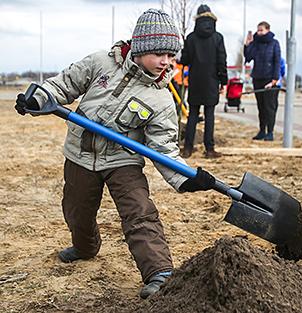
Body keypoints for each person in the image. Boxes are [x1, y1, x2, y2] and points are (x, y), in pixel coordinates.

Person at [14, 9, 216, 299]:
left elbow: (163, 146)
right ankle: (85, 247)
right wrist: (38, 98)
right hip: (80, 154)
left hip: (122, 160)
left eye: (171, 56)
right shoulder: (101, 63)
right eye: (160, 53)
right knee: (76, 211)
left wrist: (184, 178)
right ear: (141, 46)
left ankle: (159, 271)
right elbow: (64, 85)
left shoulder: (160, 98)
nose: (166, 62)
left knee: (139, 211)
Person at [180, 4, 228, 158]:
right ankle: (209, 149)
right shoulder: (218, 37)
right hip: (211, 81)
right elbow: (222, 60)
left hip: (195, 80)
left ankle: (187, 148)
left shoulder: (191, 38)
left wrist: (184, 51)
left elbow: (185, 60)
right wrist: (223, 81)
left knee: (192, 114)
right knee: (210, 115)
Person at [244, 21, 281, 141]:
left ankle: (270, 132)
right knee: (261, 107)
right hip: (258, 78)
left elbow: (277, 61)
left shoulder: (274, 43)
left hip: (270, 79)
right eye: (258, 30)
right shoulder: (255, 43)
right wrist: (247, 45)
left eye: (261, 30)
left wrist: (275, 79)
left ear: (268, 30)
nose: (259, 32)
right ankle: (261, 131)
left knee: (269, 107)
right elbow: (248, 57)